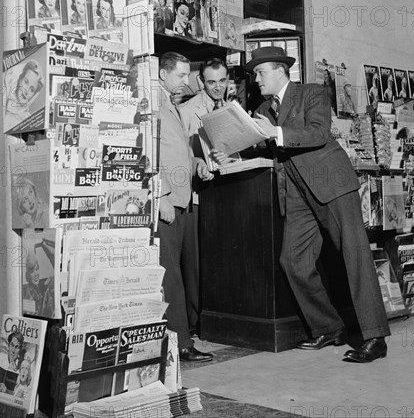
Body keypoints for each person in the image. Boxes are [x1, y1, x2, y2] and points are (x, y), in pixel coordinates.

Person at [244, 46, 391, 363]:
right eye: (254, 74)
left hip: (331, 183)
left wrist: (277, 132)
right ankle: (329, 328)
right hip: (296, 191)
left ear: (281, 71)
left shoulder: (311, 93)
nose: (256, 79)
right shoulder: (264, 109)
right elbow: (267, 145)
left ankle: (375, 337)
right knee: (293, 260)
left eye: (260, 72)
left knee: (354, 256)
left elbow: (318, 133)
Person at [156, 52, 214, 363]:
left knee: (176, 272)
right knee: (170, 276)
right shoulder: (152, 104)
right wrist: (162, 194)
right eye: (180, 75)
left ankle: (178, 341)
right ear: (163, 74)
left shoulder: (173, 107)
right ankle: (180, 345)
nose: (184, 82)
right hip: (167, 202)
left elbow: (175, 151)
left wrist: (196, 165)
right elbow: (146, 151)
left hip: (181, 201)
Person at [177, 58, 233, 337]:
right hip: (199, 193)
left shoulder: (233, 109)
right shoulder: (186, 111)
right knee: (195, 261)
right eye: (212, 82)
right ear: (201, 82)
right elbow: (180, 152)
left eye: (222, 81)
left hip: (229, 195)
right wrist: (198, 160)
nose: (218, 87)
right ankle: (196, 322)